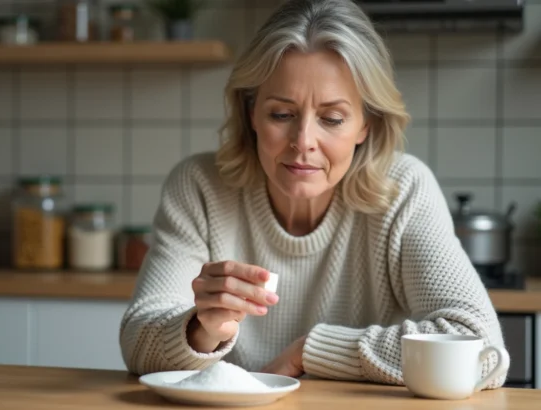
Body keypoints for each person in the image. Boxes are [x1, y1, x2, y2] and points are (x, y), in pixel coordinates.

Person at [119, 0, 507, 388]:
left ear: (365, 125)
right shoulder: (199, 185)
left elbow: (481, 348)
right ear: (251, 112)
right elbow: (138, 343)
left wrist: (311, 352)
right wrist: (201, 329)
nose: (303, 142)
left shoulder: (404, 190)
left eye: (332, 119)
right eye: (281, 115)